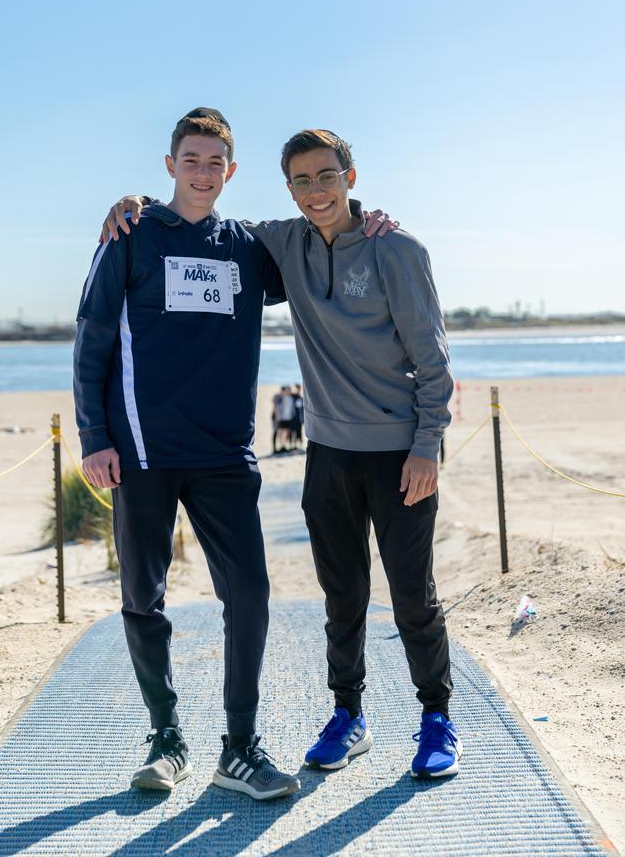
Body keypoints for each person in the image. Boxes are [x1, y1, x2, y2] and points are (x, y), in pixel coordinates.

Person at [102, 127, 459, 781]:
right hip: (327, 451)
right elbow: (192, 222)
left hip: (397, 453)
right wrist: (137, 202)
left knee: (412, 594)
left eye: (327, 176)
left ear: (350, 178)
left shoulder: (395, 248)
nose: (316, 191)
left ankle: (436, 717)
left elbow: (434, 362)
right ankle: (347, 716)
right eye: (301, 180)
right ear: (287, 188)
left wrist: (427, 445)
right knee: (342, 596)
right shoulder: (281, 243)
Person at [74, 108, 301, 800]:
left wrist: (367, 220)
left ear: (231, 171)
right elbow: (92, 338)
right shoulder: (131, 233)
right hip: (141, 451)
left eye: (215, 163)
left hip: (224, 453)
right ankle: (166, 736)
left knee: (250, 593)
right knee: (143, 596)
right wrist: (93, 437)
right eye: (191, 160)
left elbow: (322, 245)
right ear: (170, 165)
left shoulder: (249, 249)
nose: (203, 173)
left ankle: (240, 748)